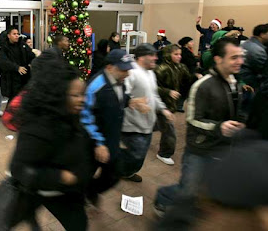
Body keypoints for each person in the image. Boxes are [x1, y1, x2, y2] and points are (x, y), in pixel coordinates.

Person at [0, 54, 95, 231]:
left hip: (64, 193)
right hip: (37, 191)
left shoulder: (71, 115)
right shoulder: (38, 126)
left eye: (82, 94)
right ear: (59, 95)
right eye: (75, 95)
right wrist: (62, 177)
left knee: (78, 225)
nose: (82, 99)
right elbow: (19, 169)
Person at [154, 38, 246, 216]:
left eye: (241, 57)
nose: (240, 61)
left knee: (204, 189)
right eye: (234, 57)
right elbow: (193, 120)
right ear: (218, 59)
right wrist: (219, 127)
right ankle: (163, 197)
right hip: (200, 149)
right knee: (188, 189)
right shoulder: (203, 86)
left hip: (221, 147)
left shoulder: (234, 83)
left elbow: (234, 111)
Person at [81, 49, 148, 203]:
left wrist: (132, 102)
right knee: (86, 172)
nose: (128, 73)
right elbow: (85, 116)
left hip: (111, 138)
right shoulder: (95, 86)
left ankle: (91, 190)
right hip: (94, 142)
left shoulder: (119, 81)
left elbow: (120, 98)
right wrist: (98, 143)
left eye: (128, 69)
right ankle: (81, 195)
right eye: (124, 69)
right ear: (110, 67)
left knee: (114, 173)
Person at [121, 44, 173, 182]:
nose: (156, 58)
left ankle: (127, 171)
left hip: (147, 124)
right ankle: (122, 171)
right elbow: (122, 94)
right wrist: (135, 103)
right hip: (132, 125)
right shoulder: (131, 72)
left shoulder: (150, 72)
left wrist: (163, 109)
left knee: (140, 154)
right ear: (141, 57)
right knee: (136, 154)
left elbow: (154, 95)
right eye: (152, 55)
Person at [155, 44, 193, 165]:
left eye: (180, 54)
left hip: (170, 104)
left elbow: (189, 79)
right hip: (161, 104)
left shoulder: (180, 67)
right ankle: (164, 153)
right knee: (169, 132)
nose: (179, 57)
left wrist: (197, 76)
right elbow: (153, 87)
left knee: (156, 125)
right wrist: (168, 92)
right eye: (175, 54)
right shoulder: (161, 69)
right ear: (167, 55)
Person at [0, 27, 35, 103]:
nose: (16, 36)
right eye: (14, 34)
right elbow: (3, 61)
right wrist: (16, 68)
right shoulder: (4, 48)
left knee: (25, 99)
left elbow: (31, 55)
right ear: (8, 35)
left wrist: (31, 63)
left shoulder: (22, 45)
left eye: (17, 34)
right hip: (11, 79)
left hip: (24, 77)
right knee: (13, 100)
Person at [240, 24, 268, 90]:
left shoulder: (245, 43)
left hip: (241, 78)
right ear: (262, 35)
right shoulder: (258, 50)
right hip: (249, 83)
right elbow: (266, 72)